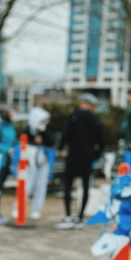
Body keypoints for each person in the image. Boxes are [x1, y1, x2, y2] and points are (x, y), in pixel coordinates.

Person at [56, 93, 105, 230]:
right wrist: (95, 155)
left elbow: (65, 134)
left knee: (68, 185)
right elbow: (101, 141)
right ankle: (80, 217)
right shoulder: (95, 119)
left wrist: (61, 148)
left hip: (73, 155)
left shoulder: (74, 116)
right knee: (85, 186)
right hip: (88, 157)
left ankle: (68, 216)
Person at [20, 107, 54, 220]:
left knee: (41, 186)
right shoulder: (27, 131)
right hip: (29, 162)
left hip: (43, 162)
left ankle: (37, 208)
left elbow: (51, 142)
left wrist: (43, 134)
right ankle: (19, 206)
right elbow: (22, 142)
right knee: (27, 186)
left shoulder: (45, 131)